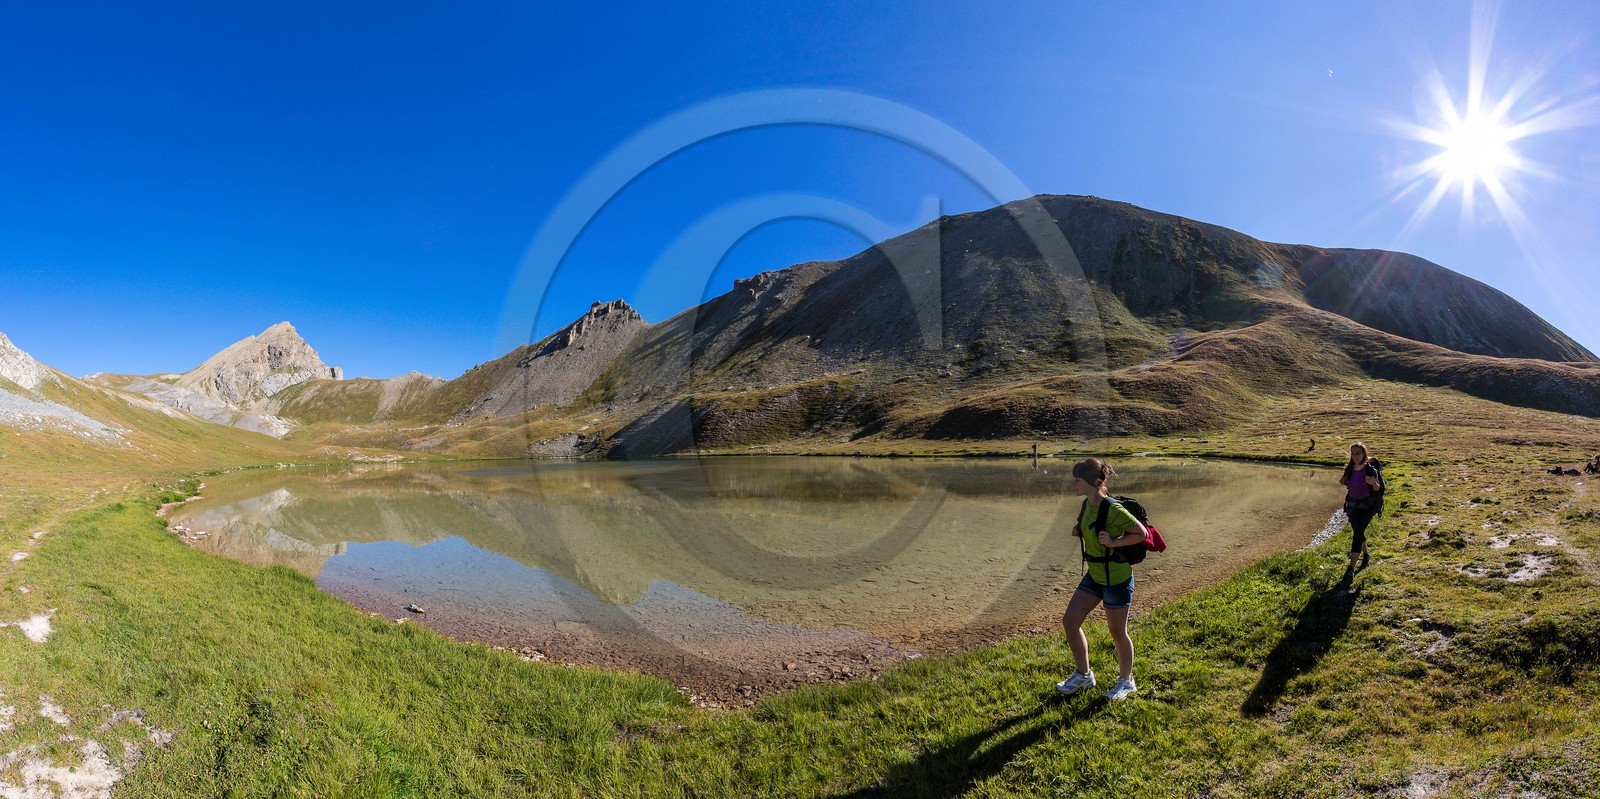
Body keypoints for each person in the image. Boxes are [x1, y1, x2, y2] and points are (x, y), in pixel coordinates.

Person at [1056, 458, 1149, 701]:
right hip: (1095, 575)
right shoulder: (1087, 505)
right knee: (1070, 621)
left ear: (1095, 482)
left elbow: (1142, 533)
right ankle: (1084, 675)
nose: (1073, 483)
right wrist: (1079, 531)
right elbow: (1090, 528)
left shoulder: (1113, 509)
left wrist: (1115, 542)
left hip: (1117, 578)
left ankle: (1127, 681)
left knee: (1117, 632)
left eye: (1078, 480)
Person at [1340, 442, 1383, 578]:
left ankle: (1351, 569)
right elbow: (1342, 482)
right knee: (1359, 532)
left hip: (1367, 507)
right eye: (1353, 453)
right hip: (1352, 506)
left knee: (1357, 532)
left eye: (1358, 453)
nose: (1355, 456)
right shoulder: (1350, 468)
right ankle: (1366, 554)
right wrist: (1346, 477)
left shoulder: (1371, 470)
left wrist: (1373, 483)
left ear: (1364, 454)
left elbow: (1378, 489)